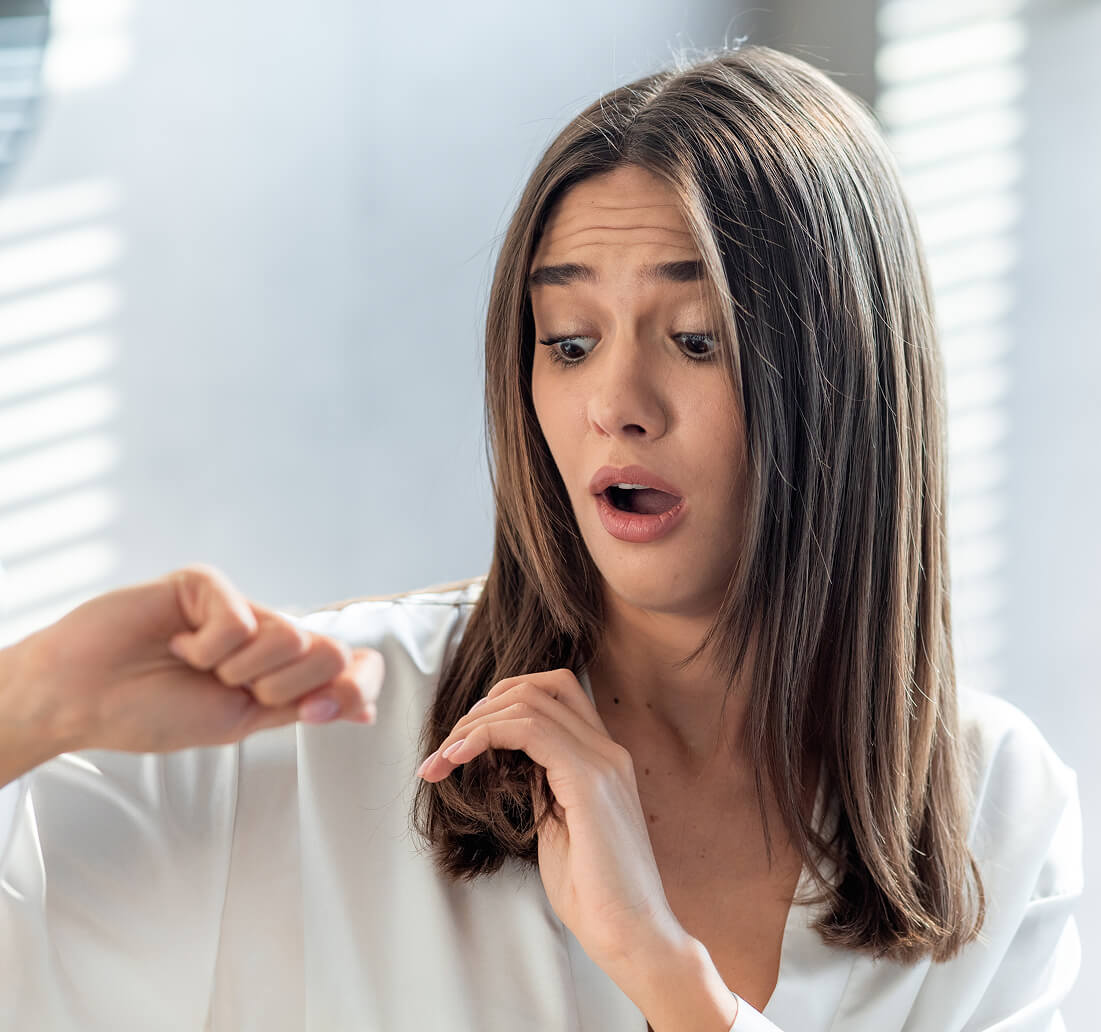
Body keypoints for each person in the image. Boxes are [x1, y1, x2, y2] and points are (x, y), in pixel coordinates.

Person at [0, 43, 1083, 1032]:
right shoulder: (329, 735)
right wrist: (36, 701)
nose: (615, 400)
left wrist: (659, 967)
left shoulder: (996, 810)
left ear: (849, 383)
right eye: (567, 341)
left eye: (696, 339)